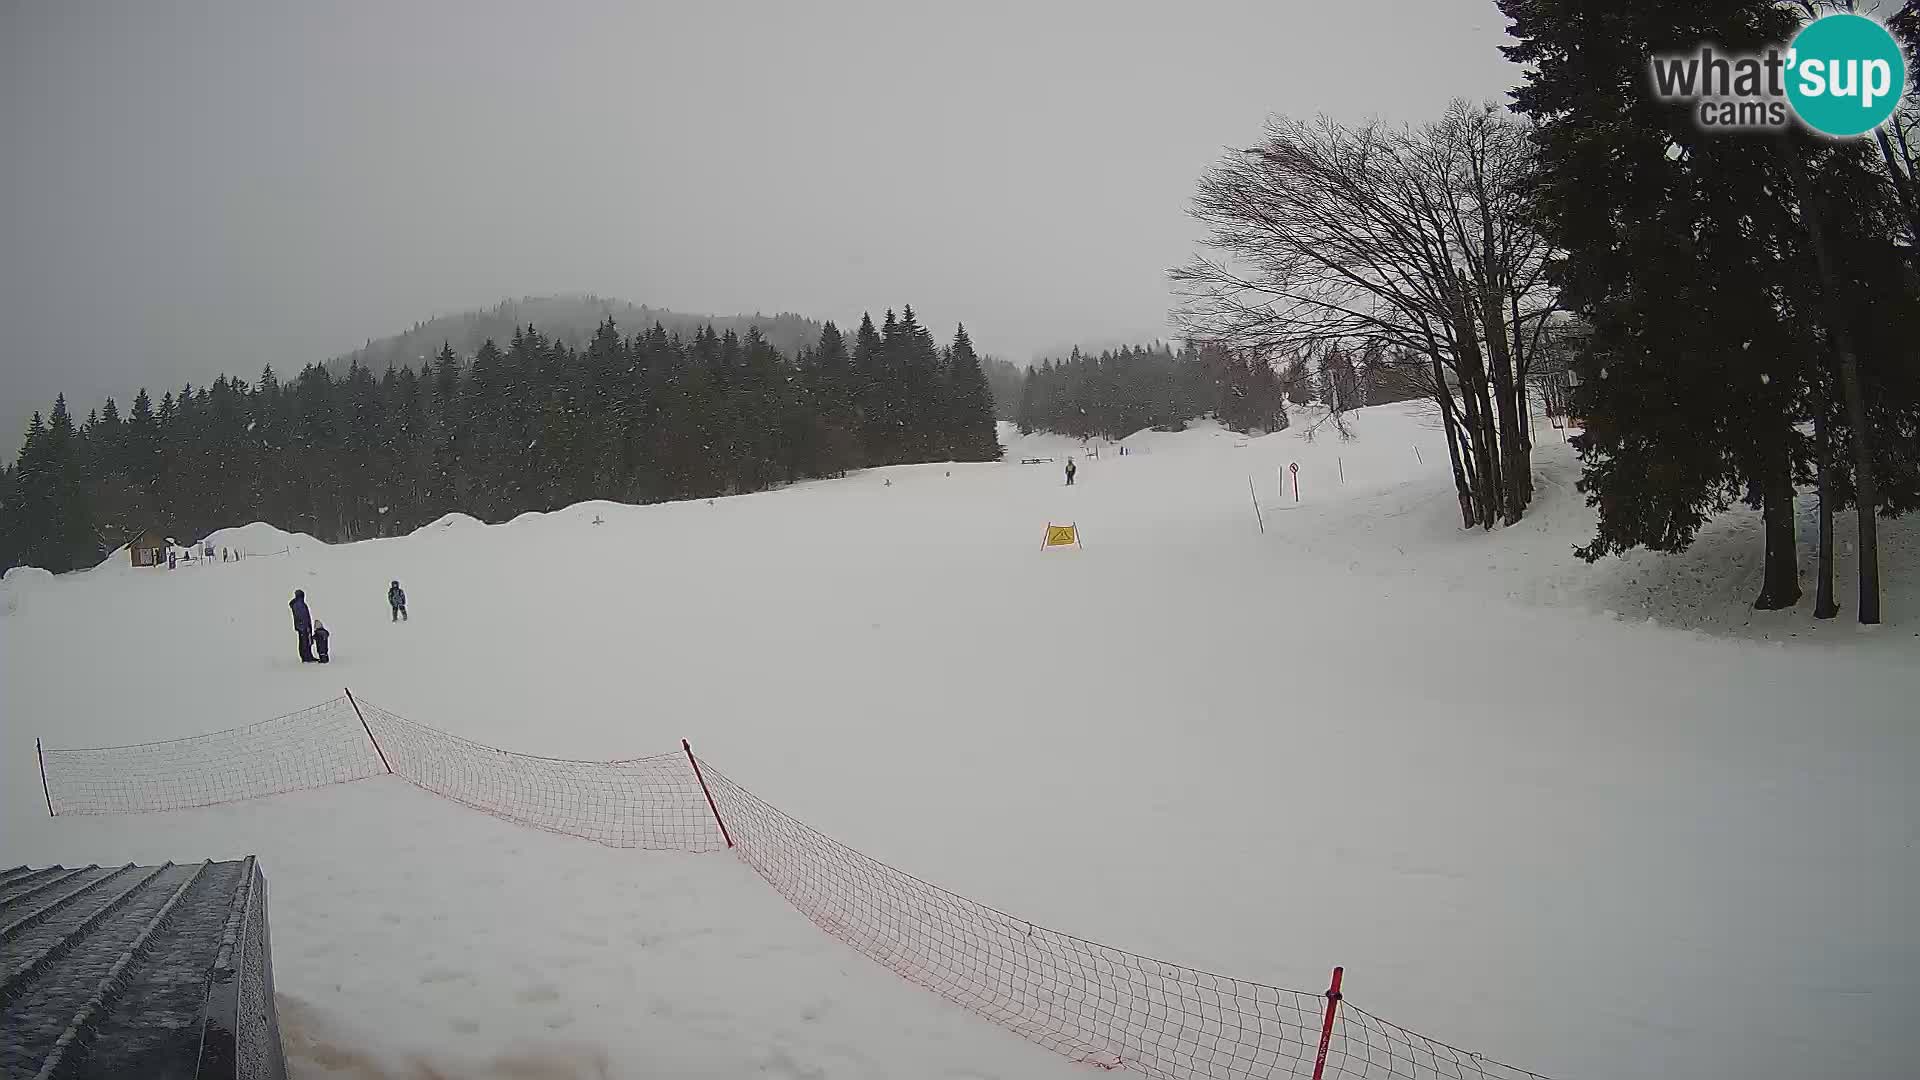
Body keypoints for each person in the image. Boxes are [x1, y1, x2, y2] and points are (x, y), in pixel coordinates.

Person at [291, 589, 314, 663]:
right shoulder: (299, 604)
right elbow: (301, 616)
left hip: (302, 626)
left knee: (305, 641)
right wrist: (304, 625)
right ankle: (306, 657)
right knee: (304, 642)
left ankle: (308, 656)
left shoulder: (299, 603)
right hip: (303, 627)